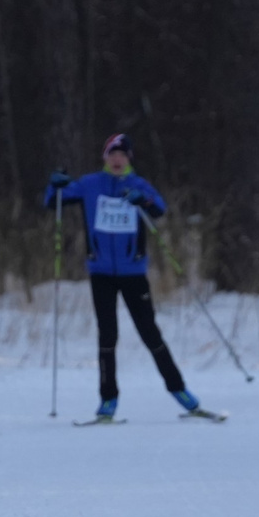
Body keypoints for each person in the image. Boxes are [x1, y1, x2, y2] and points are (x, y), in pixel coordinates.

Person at [40, 134, 214, 423]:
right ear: (105, 157)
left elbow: (159, 208)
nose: (117, 160)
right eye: (112, 154)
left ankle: (181, 392)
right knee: (107, 336)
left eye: (122, 155)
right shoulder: (90, 184)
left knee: (150, 333)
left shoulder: (138, 185)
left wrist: (141, 200)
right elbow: (54, 201)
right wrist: (54, 183)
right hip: (101, 272)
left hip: (133, 272)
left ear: (129, 159)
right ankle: (108, 400)